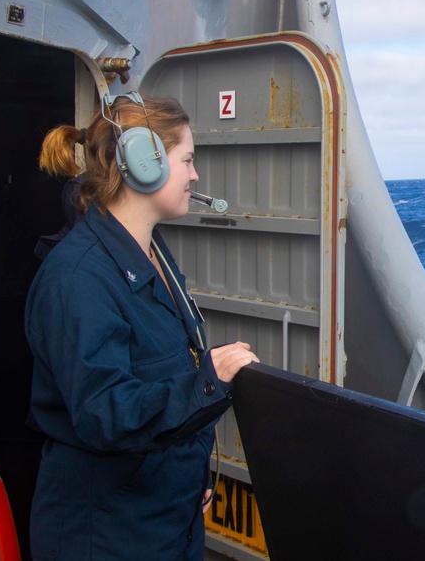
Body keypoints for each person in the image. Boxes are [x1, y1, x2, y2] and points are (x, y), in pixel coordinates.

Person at [25, 94, 259, 560]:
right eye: (187, 160)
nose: (195, 176)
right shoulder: (78, 279)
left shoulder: (151, 253)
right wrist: (209, 385)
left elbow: (160, 376)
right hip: (108, 537)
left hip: (165, 519)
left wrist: (187, 480)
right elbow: (106, 413)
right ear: (143, 163)